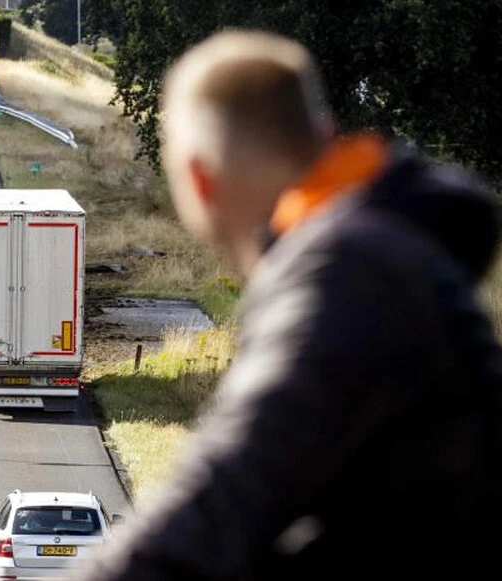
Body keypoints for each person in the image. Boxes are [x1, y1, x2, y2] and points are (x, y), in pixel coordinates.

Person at [77, 31, 502, 580]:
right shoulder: (381, 250)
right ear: (322, 136)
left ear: (199, 181)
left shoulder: (346, 271)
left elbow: (217, 509)